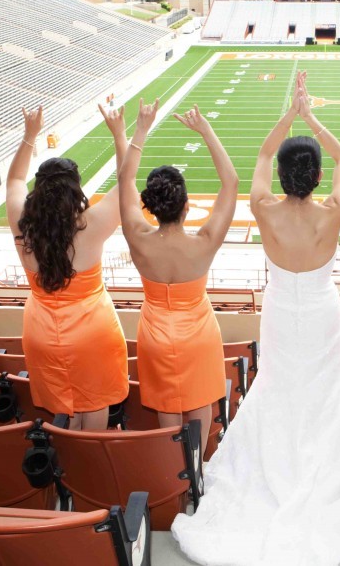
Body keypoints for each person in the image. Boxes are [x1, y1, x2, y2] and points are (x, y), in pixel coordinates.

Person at [172, 71, 340, 565]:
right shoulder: (333, 210)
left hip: (281, 310)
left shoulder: (263, 207)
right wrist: (311, 117)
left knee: (280, 384)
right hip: (320, 309)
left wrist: (291, 114)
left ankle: (273, 466)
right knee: (323, 388)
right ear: (316, 178)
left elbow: (261, 156)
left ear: (282, 178)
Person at [115, 99, 237, 455]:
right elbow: (230, 182)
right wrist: (206, 130)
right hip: (198, 335)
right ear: (186, 206)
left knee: (168, 415)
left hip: (154, 335)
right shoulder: (204, 243)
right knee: (200, 410)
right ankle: (196, 475)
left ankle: (175, 476)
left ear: (150, 206)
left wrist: (140, 128)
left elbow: (124, 179)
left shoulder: (137, 237)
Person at [6, 104, 129, 431]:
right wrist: (120, 135)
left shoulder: (23, 224)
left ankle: (72, 466)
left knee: (69, 411)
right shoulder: (93, 224)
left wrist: (30, 136)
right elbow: (127, 179)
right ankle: (88, 464)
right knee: (96, 405)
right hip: (92, 330)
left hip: (42, 331)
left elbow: (14, 179)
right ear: (75, 189)